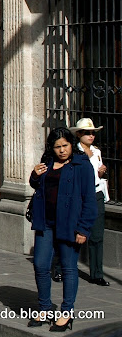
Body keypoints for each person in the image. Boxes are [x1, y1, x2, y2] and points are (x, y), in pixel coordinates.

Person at [28, 126, 97, 330]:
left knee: (68, 268)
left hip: (70, 225)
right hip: (45, 223)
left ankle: (66, 313)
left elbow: (89, 200)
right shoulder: (48, 163)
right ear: (52, 147)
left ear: (71, 144)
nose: (61, 150)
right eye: (57, 147)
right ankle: (45, 308)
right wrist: (34, 175)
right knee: (40, 266)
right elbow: (37, 187)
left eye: (65, 145)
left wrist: (84, 229)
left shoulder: (81, 165)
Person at [71, 118, 110, 287]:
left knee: (97, 236)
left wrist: (100, 172)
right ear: (79, 134)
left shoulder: (96, 151)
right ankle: (63, 268)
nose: (91, 136)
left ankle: (96, 274)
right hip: (80, 196)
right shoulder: (74, 152)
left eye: (93, 133)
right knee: (74, 233)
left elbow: (95, 175)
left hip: (96, 193)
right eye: (87, 133)